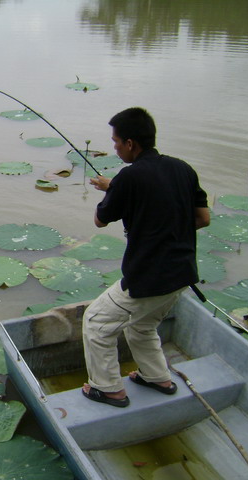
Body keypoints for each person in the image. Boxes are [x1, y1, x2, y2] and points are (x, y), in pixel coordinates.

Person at [81, 107, 210, 408]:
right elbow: (202, 218)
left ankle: (108, 389)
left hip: (149, 278)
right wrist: (164, 223)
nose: (114, 147)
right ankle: (156, 377)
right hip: (182, 275)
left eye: (115, 142)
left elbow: (101, 220)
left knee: (96, 322)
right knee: (142, 326)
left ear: (130, 144)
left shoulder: (129, 177)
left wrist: (111, 191)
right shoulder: (183, 169)